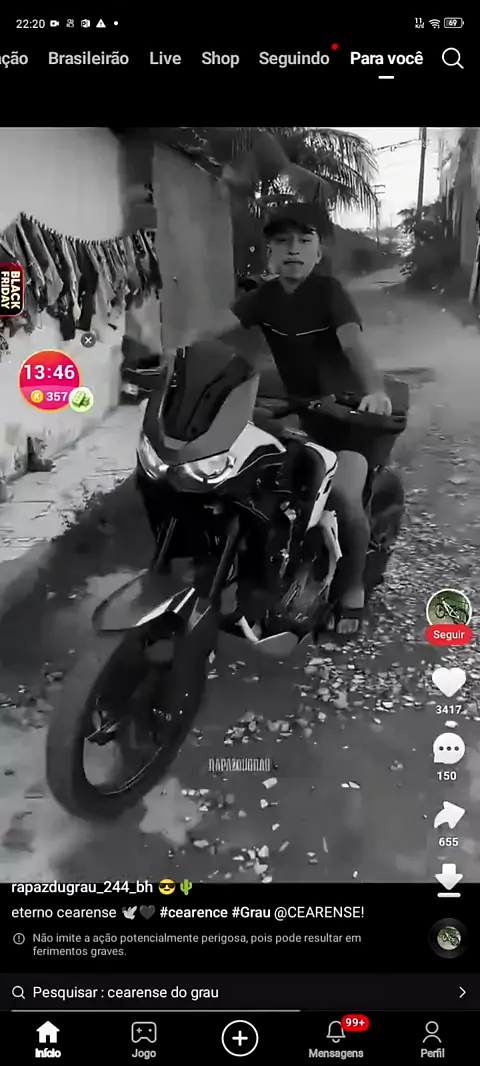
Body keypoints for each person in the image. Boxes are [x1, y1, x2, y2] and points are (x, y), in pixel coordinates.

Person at [187, 202, 392, 635]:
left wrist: (375, 390)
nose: (293, 249)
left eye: (303, 240)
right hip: (301, 409)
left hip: (347, 414)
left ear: (319, 251)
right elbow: (212, 331)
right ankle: (266, 569)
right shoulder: (264, 297)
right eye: (282, 242)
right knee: (254, 482)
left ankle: (353, 589)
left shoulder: (329, 292)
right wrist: (172, 356)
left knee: (344, 497)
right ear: (269, 253)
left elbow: (353, 345)